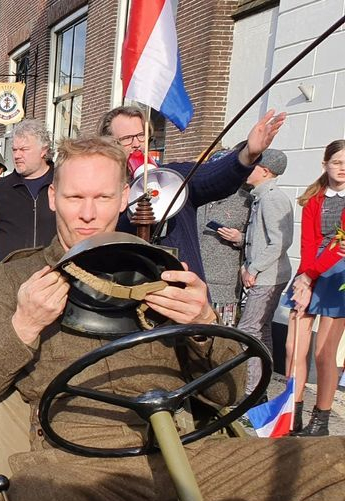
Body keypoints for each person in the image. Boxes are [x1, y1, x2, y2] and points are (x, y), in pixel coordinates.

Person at [0, 135, 345, 501]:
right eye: (74, 198)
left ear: (125, 198)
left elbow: (227, 394)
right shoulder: (18, 278)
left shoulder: (167, 274)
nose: (87, 214)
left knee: (335, 466)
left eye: (102, 198)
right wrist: (25, 324)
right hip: (77, 468)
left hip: (189, 453)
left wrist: (203, 324)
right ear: (53, 197)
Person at [100, 105, 285, 279]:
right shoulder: (101, 189)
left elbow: (213, 178)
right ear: (109, 143)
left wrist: (247, 155)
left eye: (141, 136)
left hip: (183, 290)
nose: (136, 144)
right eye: (126, 138)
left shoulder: (175, 177)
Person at [284, 140, 345, 436]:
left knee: (324, 353)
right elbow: (309, 242)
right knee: (293, 346)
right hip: (310, 270)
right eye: (337, 162)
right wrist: (304, 277)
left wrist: (312, 275)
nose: (342, 168)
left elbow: (341, 247)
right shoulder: (314, 198)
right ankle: (290, 413)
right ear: (325, 164)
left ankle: (320, 420)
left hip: (338, 277)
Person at [230, 149, 293, 397]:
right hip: (266, 274)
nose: (248, 169)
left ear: (265, 171)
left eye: (253, 166)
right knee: (261, 330)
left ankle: (252, 393)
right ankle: (261, 388)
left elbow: (280, 242)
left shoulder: (272, 198)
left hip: (267, 276)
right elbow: (264, 238)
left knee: (248, 331)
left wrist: (253, 268)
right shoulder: (261, 197)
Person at [0, 119, 55, 262]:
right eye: (14, 150)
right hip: (9, 275)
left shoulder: (64, 185)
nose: (17, 155)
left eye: (24, 149)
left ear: (43, 151)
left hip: (54, 273)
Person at [196, 167, 252, 326]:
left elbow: (259, 239)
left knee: (222, 335)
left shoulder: (246, 201)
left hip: (224, 284)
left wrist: (240, 238)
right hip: (197, 279)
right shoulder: (198, 197)